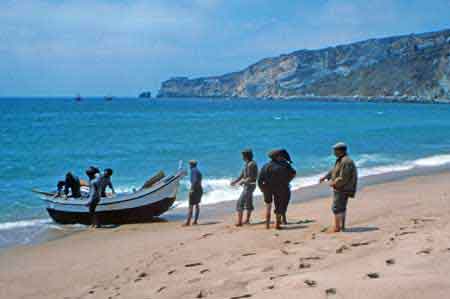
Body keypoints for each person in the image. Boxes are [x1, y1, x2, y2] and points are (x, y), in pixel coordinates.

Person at [319, 142, 358, 233]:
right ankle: (342, 226)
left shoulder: (346, 161)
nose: (333, 153)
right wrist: (325, 177)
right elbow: (334, 170)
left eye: (335, 151)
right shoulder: (340, 160)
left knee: (336, 207)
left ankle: (337, 227)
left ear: (340, 151)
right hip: (341, 188)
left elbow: (343, 177)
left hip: (343, 188)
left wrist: (334, 183)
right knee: (342, 207)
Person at [258, 149, 296, 230]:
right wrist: (287, 181)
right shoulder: (284, 165)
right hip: (280, 188)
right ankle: (277, 224)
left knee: (268, 206)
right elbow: (293, 173)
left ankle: (267, 225)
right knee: (280, 206)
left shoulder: (265, 166)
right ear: (278, 157)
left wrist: (262, 189)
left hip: (267, 188)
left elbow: (260, 180)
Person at [230, 149, 258, 226]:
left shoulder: (251, 164)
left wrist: (243, 181)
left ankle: (239, 222)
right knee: (248, 202)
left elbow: (251, 177)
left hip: (250, 185)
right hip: (248, 186)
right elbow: (242, 175)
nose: (242, 157)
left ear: (246, 156)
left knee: (240, 203)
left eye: (243, 156)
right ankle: (247, 220)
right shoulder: (247, 163)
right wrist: (235, 181)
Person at [184, 160, 203, 226]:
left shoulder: (193, 171)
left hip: (194, 190)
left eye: (189, 164)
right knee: (197, 205)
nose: (189, 166)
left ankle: (188, 222)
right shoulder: (198, 171)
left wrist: (192, 189)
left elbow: (194, 181)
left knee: (191, 206)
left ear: (191, 165)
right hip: (199, 189)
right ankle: (195, 221)